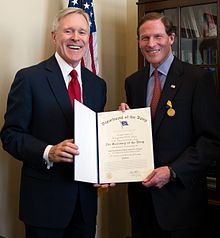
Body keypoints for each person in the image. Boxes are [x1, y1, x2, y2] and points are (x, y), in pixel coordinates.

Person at [0, 7, 112, 238]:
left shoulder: (97, 85)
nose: (75, 38)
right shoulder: (29, 78)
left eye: (82, 32)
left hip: (85, 205)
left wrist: (106, 171)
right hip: (44, 205)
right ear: (54, 36)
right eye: (68, 31)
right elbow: (10, 135)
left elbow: (96, 138)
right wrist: (48, 151)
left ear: (88, 38)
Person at [120, 12, 220, 238]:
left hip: (181, 205)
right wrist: (123, 122)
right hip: (142, 203)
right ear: (138, 42)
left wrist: (173, 171)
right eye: (144, 38)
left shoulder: (197, 79)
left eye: (158, 36)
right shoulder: (133, 82)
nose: (151, 44)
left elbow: (211, 141)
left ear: (171, 38)